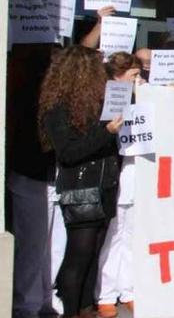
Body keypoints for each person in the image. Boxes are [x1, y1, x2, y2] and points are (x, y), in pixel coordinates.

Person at [38, 46, 123, 318]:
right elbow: (69, 152)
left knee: (94, 254)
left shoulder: (97, 103)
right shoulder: (57, 108)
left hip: (104, 185)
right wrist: (106, 132)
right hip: (81, 188)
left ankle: (86, 308)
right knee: (79, 256)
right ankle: (71, 311)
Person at [7, 44, 59, 318]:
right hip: (31, 176)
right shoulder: (32, 96)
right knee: (32, 246)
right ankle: (25, 305)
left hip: (48, 177)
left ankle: (42, 300)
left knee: (48, 247)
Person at [95, 53, 141, 318]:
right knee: (113, 239)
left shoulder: (143, 99)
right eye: (134, 74)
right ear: (118, 76)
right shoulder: (109, 101)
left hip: (137, 180)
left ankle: (129, 290)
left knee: (132, 239)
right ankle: (106, 294)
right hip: (117, 179)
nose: (139, 79)